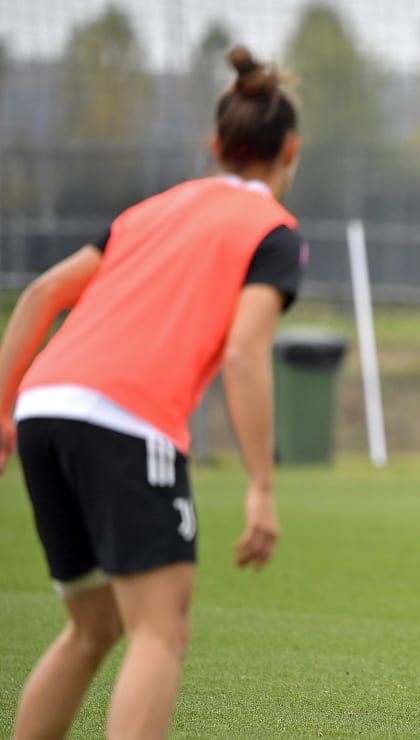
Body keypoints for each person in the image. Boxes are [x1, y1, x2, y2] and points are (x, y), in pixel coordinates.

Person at [0, 46, 304, 738]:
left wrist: (3, 409)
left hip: (45, 406)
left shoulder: (152, 208)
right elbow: (245, 352)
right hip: (124, 421)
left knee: (92, 625)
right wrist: (261, 485)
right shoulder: (274, 233)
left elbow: (44, 293)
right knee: (159, 633)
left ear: (215, 144)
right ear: (291, 150)